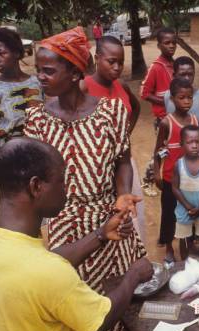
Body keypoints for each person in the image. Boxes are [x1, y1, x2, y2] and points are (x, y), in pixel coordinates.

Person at [0, 138, 185, 331]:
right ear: (36, 186)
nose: (67, 189)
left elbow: (46, 260)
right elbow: (101, 319)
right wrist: (133, 275)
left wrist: (101, 235)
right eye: (60, 180)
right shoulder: (48, 272)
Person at [24, 27, 145, 331]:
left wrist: (123, 194)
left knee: (119, 303)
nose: (41, 76)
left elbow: (122, 159)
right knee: (75, 313)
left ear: (75, 72)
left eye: (49, 70)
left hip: (111, 221)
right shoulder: (37, 121)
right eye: (39, 69)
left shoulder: (111, 113)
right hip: (64, 228)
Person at [81, 35, 146, 241]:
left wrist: (124, 136)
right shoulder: (84, 88)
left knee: (130, 216)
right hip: (97, 169)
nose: (117, 67)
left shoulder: (122, 86)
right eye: (111, 61)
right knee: (105, 220)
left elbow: (135, 108)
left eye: (121, 62)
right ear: (97, 58)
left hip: (125, 163)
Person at [153, 78, 199, 263]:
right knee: (169, 214)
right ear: (172, 99)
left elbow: (197, 146)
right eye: (182, 98)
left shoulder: (194, 120)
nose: (186, 101)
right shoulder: (166, 123)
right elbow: (158, 150)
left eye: (189, 97)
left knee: (189, 212)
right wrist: (157, 172)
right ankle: (169, 248)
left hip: (190, 178)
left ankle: (189, 243)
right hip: (171, 179)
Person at [0, 27, 42, 149]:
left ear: (17, 53)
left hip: (40, 149)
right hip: (11, 152)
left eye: (1, 53)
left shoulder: (37, 83)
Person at [140, 27, 177, 196]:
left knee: (173, 149)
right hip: (163, 118)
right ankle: (148, 180)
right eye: (167, 43)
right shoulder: (156, 67)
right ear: (159, 45)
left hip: (175, 117)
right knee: (162, 151)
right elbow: (144, 93)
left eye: (173, 42)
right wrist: (166, 101)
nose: (171, 46)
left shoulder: (174, 64)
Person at [172, 125, 199, 259]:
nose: (194, 145)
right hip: (184, 210)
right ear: (181, 144)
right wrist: (188, 207)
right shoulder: (179, 164)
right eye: (190, 142)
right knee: (184, 239)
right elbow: (175, 188)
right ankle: (185, 264)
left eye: (198, 142)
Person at [163, 56, 199, 153]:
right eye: (182, 74)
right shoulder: (168, 96)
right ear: (174, 75)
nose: (187, 78)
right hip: (175, 150)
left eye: (190, 74)